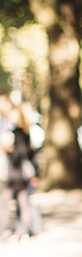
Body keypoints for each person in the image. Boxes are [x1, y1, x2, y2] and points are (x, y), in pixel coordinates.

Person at [0, 101, 37, 241]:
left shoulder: (15, 134)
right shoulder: (26, 133)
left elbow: (16, 153)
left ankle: (5, 230)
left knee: (6, 203)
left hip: (14, 173)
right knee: (23, 203)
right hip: (22, 174)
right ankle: (23, 231)